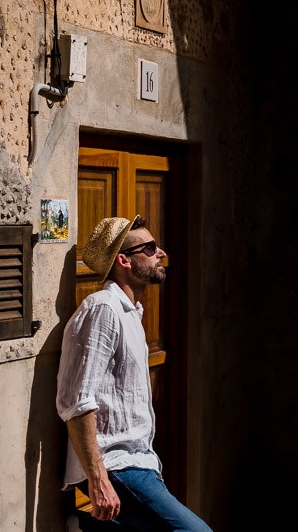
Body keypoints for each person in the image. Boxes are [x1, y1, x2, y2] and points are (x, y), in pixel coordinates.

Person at [56, 215, 213, 532]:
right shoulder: (103, 309)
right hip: (116, 465)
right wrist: (98, 477)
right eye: (151, 247)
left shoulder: (131, 312)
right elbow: (76, 399)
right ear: (124, 260)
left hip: (141, 461)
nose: (162, 253)